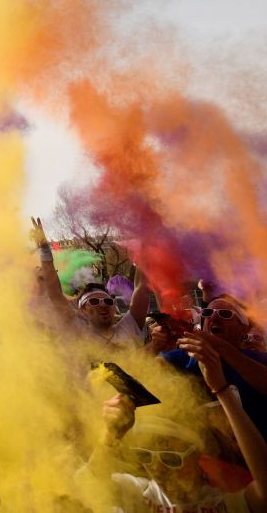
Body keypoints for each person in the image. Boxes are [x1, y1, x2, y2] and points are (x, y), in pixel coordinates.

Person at [83, 327, 267, 512]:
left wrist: (221, 390)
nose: (157, 468)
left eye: (171, 459)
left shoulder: (221, 505)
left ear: (198, 457)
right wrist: (110, 435)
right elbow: (86, 484)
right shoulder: (139, 493)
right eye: (145, 456)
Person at [31, 217, 150, 347]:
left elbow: (141, 287)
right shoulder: (77, 331)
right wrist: (44, 250)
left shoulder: (129, 327)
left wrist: (146, 243)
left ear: (114, 307)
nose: (103, 305)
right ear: (82, 310)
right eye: (94, 302)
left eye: (108, 301)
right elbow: (55, 293)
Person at [159, 295, 267, 438]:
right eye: (208, 313)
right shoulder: (185, 356)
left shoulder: (259, 359)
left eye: (225, 314)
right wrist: (155, 345)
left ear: (243, 328)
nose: (214, 318)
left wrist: (220, 347)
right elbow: (151, 369)